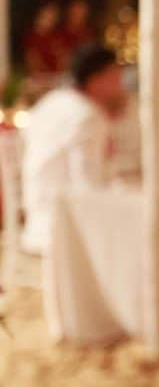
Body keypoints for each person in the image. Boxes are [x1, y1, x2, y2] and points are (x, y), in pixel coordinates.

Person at [21, 45, 125, 252]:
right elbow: (87, 189)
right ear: (96, 80)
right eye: (115, 78)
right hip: (62, 229)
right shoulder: (87, 116)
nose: (121, 86)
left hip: (36, 218)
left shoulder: (52, 101)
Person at [24, 2, 68, 77]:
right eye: (48, 15)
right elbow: (32, 62)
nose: (52, 19)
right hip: (39, 78)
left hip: (58, 77)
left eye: (54, 16)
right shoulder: (32, 37)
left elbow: (64, 58)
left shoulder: (57, 35)